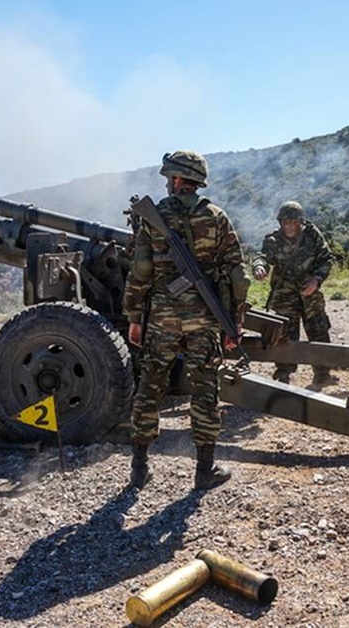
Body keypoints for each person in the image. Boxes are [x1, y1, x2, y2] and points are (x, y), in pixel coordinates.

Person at [123, 150, 250, 491]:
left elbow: (141, 270)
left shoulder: (154, 217)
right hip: (204, 318)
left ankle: (139, 469)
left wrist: (135, 316)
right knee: (205, 388)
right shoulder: (216, 217)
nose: (167, 183)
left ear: (177, 179)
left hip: (163, 317)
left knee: (150, 385)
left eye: (169, 178)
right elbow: (238, 274)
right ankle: (204, 470)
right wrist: (234, 320)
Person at [252, 201, 337, 387]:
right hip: (285, 297)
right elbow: (262, 256)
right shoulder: (273, 240)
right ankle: (284, 376)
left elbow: (326, 259)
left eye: (293, 222)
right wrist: (259, 266)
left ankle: (322, 374)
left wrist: (316, 279)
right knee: (284, 338)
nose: (289, 226)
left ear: (300, 221)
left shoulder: (312, 235)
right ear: (280, 222)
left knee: (319, 332)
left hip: (310, 295)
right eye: (285, 222)